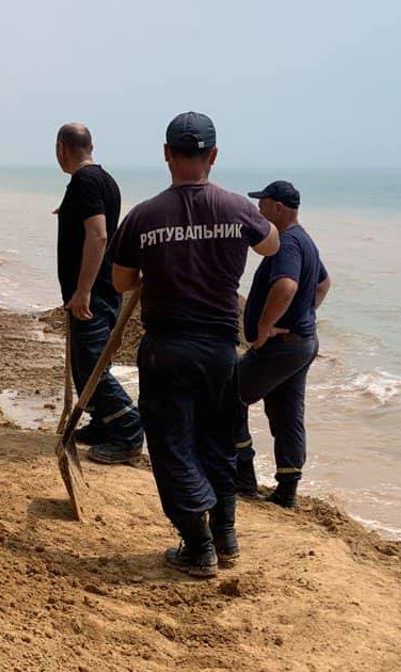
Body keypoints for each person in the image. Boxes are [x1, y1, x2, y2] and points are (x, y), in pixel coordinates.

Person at [110, 112, 279, 578]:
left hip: (168, 347)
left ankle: (199, 544)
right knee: (218, 442)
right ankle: (225, 534)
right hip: (221, 350)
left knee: (172, 446)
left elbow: (122, 280)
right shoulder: (237, 209)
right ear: (214, 156)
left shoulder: (144, 216)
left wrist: (157, 264)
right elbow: (271, 244)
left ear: (166, 155)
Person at [235, 181, 331, 509]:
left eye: (263, 204)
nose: (259, 211)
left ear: (277, 207)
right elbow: (323, 284)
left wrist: (263, 327)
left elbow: (287, 286)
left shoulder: (287, 243)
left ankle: (242, 476)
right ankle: (287, 490)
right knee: (287, 411)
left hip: (283, 347)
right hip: (302, 343)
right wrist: (304, 315)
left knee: (228, 394)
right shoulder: (306, 240)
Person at [55, 122, 144, 465]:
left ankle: (128, 430)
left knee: (92, 365)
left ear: (62, 146)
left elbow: (99, 235)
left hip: (95, 291)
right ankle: (102, 423)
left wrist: (83, 291)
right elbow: (92, 222)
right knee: (84, 363)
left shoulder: (86, 181)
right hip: (99, 289)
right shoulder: (103, 181)